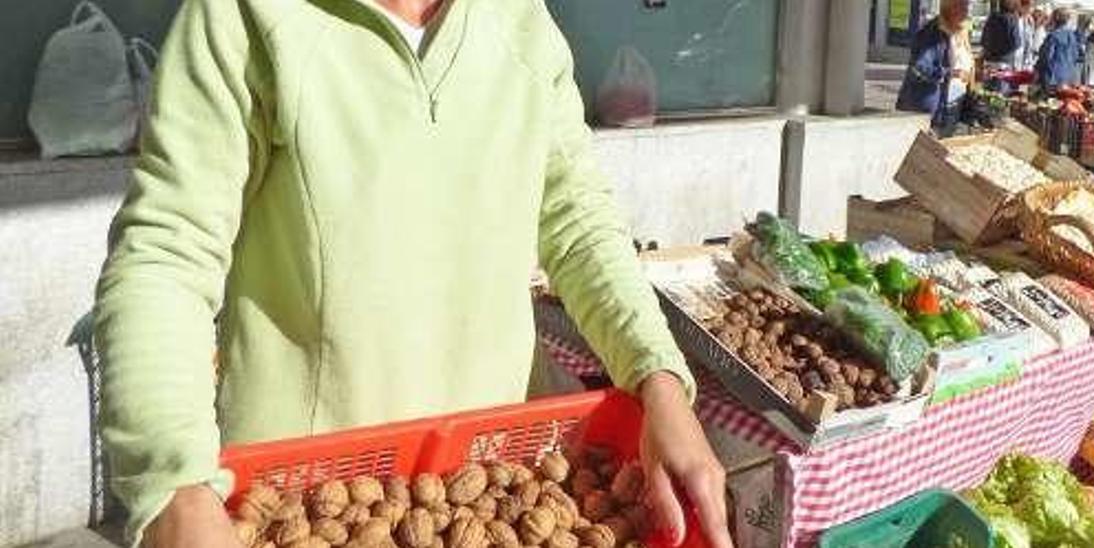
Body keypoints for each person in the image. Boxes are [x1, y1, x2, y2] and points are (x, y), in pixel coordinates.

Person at [92, 0, 733, 547]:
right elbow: (166, 254)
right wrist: (175, 487)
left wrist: (658, 380)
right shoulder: (245, 17)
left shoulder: (521, 21)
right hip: (307, 503)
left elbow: (579, 224)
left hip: (489, 485)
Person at [896, 0, 970, 128]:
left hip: (945, 105)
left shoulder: (957, 31)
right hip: (922, 108)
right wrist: (951, 73)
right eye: (962, 6)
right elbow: (919, 70)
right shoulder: (932, 33)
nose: (966, 12)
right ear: (950, 7)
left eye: (967, 6)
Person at [1036, 8, 1082, 93]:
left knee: (1050, 103)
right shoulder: (1072, 36)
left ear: (1054, 19)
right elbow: (1076, 55)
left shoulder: (1053, 36)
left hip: (1052, 78)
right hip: (1069, 76)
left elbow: (1046, 57)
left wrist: (1037, 70)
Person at [981, 0, 1023, 92]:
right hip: (1004, 62)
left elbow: (983, 40)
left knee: (987, 93)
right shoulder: (1012, 19)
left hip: (989, 60)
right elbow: (1016, 43)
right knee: (1000, 96)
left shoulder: (991, 17)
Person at [1013, 0, 1037, 71]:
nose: (1031, 9)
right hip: (1016, 56)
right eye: (1029, 6)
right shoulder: (1014, 18)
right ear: (1022, 6)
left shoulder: (1030, 19)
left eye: (1032, 6)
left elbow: (1030, 38)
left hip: (1026, 57)